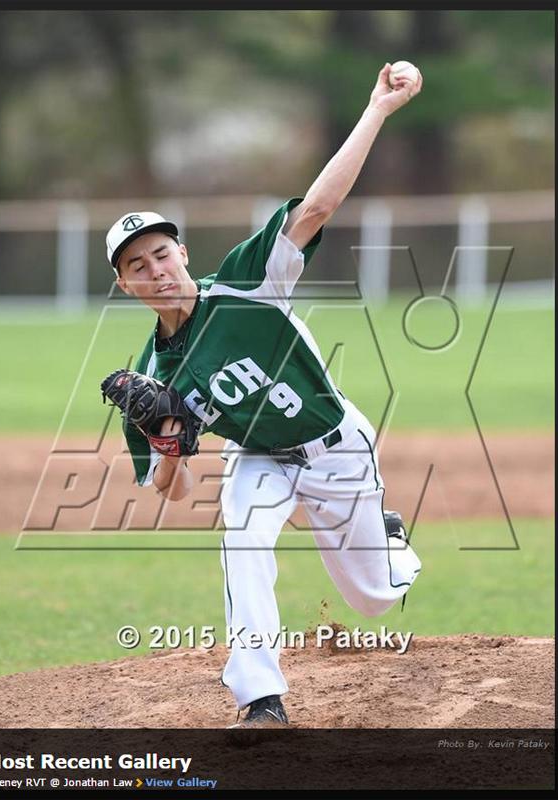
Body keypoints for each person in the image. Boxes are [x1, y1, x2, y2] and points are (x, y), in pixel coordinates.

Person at [104, 63, 423, 728]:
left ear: (182, 252)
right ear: (125, 286)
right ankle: (260, 698)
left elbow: (318, 208)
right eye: (137, 265)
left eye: (160, 253)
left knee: (374, 598)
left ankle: (390, 539)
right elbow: (170, 489)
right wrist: (171, 448)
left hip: (336, 446)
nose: (154, 270)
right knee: (242, 540)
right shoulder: (149, 382)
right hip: (259, 459)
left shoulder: (245, 283)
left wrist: (376, 109)